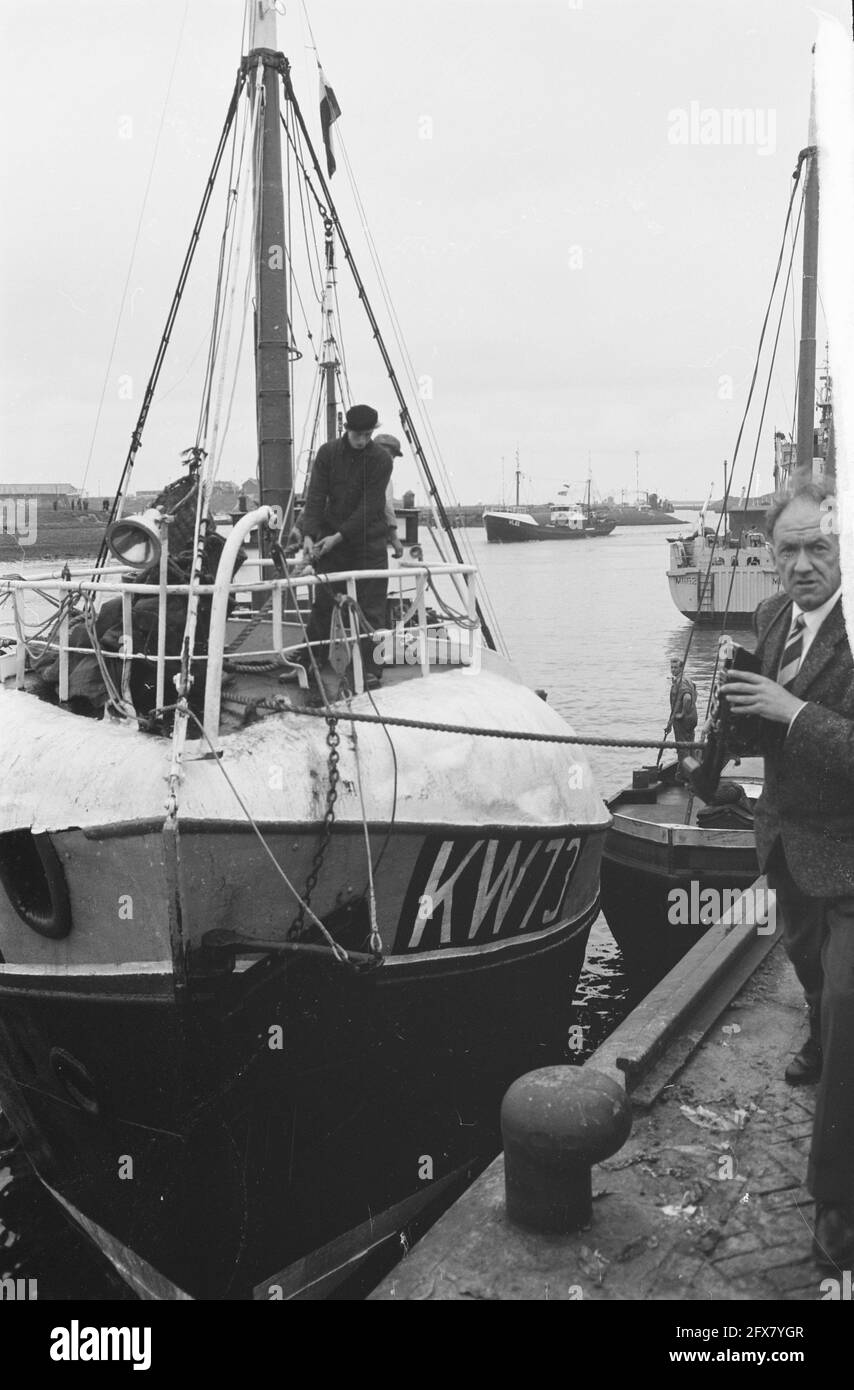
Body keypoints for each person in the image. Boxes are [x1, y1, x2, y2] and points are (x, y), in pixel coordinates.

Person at [723, 481, 853, 1272]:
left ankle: (835, 1202)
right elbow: (754, 712)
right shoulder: (772, 616)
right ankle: (815, 1030)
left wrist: (790, 710)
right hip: (787, 842)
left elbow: (796, 717)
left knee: (848, 999)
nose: (803, 565)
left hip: (850, 851)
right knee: (809, 969)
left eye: (820, 549)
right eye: (789, 550)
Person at [298, 403, 392, 687]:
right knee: (324, 605)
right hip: (334, 543)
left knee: (371, 609)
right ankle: (307, 665)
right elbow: (315, 497)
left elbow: (369, 507)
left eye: (367, 435)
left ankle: (371, 671)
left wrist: (336, 537)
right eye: (357, 435)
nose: (362, 440)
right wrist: (308, 535)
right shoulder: (328, 454)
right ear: (346, 430)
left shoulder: (381, 460)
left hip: (368, 542)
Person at [373, 433, 405, 558]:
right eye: (391, 456)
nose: (391, 460)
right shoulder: (383, 478)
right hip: (373, 541)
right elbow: (386, 505)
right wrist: (394, 538)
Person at [668, 656, 698, 750]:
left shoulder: (681, 682)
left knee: (682, 749)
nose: (673, 670)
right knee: (690, 746)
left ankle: (684, 763)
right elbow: (695, 694)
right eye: (672, 667)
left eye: (675, 667)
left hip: (683, 721)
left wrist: (682, 713)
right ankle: (693, 762)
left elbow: (688, 698)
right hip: (692, 718)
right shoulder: (687, 679)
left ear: (681, 668)